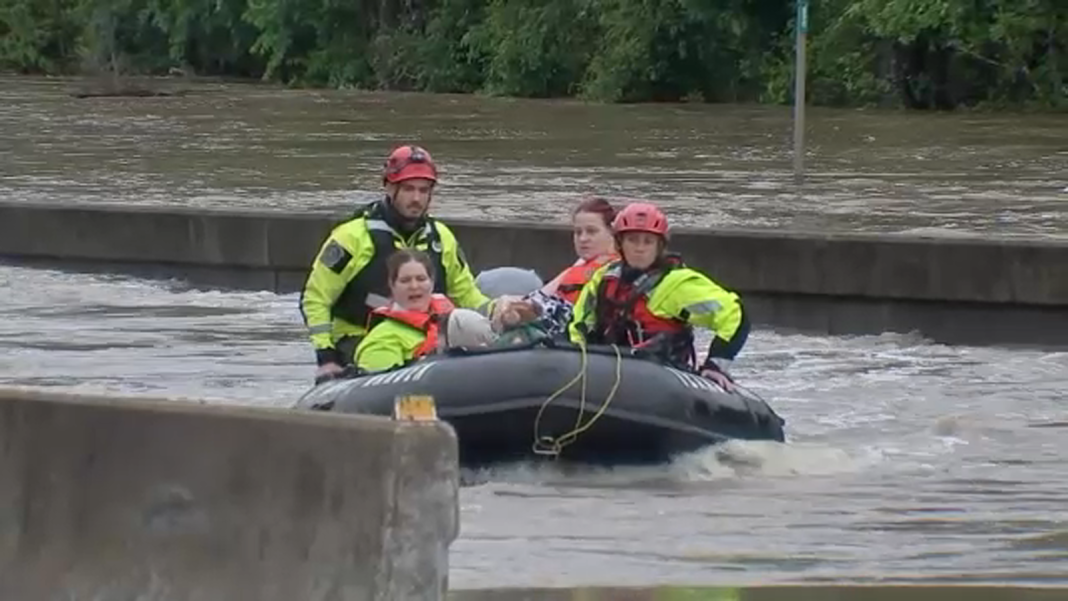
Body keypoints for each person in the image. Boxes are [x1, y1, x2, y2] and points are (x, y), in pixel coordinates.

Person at [300, 144, 523, 381]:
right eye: (408, 189)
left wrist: (497, 310)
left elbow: (467, 295)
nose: (416, 198)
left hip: (428, 339)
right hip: (362, 340)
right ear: (389, 187)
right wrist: (326, 356)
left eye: (423, 190)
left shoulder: (441, 237)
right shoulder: (352, 237)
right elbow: (316, 299)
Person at [567, 202, 750, 389]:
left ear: (659, 245)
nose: (640, 248)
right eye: (632, 240)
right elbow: (579, 323)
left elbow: (735, 315)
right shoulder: (603, 278)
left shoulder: (677, 283)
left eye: (648, 241)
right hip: (605, 370)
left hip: (662, 377)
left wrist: (715, 365)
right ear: (620, 243)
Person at [355, 249, 528, 373]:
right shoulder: (383, 338)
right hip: (423, 405)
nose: (414, 286)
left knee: (463, 320)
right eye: (405, 280)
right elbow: (381, 393)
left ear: (431, 283)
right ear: (392, 286)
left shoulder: (454, 321)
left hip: (476, 386)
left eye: (421, 279)